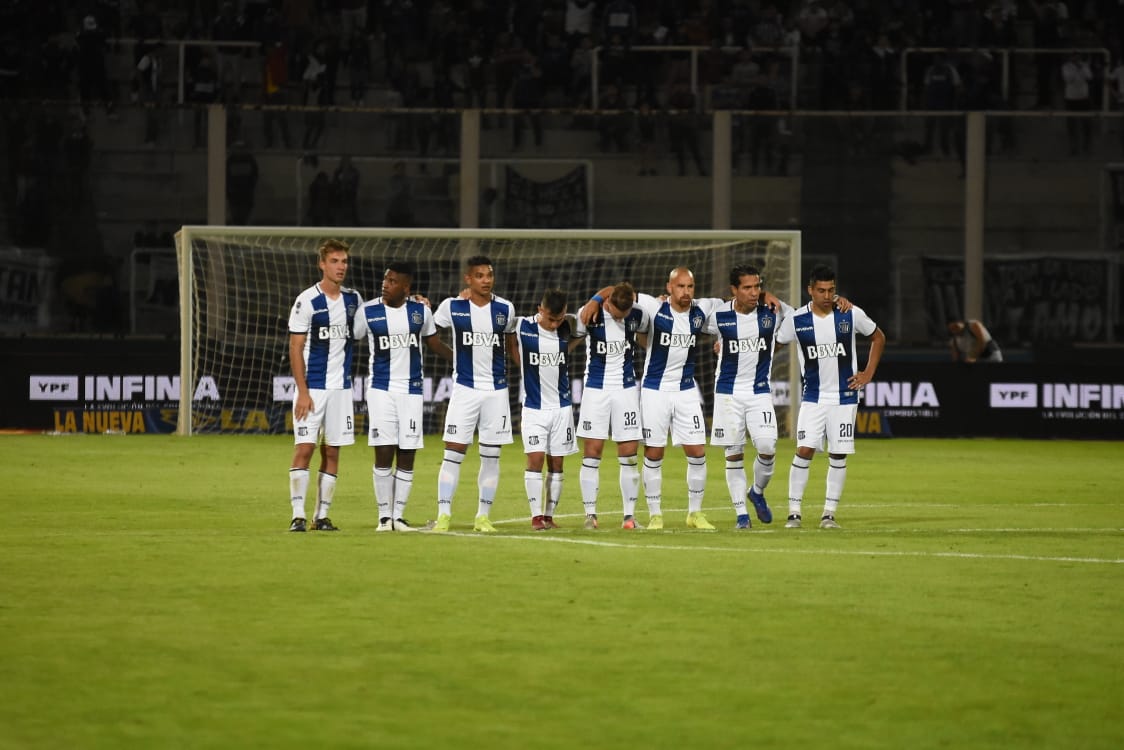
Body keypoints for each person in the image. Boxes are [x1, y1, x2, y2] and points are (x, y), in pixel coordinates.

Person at [581, 268, 723, 530]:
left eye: (690, 286)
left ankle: (695, 513)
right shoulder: (652, 307)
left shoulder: (703, 310)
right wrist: (596, 300)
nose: (686, 292)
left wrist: (722, 343)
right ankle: (655, 514)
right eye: (680, 286)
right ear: (669, 287)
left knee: (698, 452)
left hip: (686, 390)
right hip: (655, 390)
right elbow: (618, 290)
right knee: (654, 452)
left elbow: (732, 316)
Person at [775, 264, 885, 530]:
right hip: (813, 397)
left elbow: (878, 337)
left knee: (838, 455)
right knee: (804, 451)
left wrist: (867, 373)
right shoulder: (797, 320)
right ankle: (794, 513)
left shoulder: (850, 314)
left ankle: (829, 514)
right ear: (810, 290)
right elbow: (773, 343)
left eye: (831, 290)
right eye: (821, 290)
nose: (827, 295)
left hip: (845, 397)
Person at [353, 262, 452, 532]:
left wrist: (460, 362)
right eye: (386, 279)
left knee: (407, 453)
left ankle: (399, 516)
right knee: (383, 451)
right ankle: (384, 517)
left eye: (393, 281)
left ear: (406, 287)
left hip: (411, 390)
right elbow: (352, 338)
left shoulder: (420, 311)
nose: (386, 284)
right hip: (381, 390)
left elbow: (433, 343)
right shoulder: (368, 311)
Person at [431, 255, 518, 532]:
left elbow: (512, 346)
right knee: (453, 452)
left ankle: (483, 516)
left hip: (496, 391)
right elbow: (429, 332)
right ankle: (443, 514)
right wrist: (453, 357)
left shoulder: (505, 309)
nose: (486, 280)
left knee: (491, 455)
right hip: (465, 390)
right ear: (468, 279)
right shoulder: (452, 307)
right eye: (479, 276)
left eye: (489, 275)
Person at [286, 239, 363, 532]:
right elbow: (295, 348)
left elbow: (383, 308)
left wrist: (415, 298)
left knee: (332, 451)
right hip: (313, 389)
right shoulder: (307, 300)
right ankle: (298, 515)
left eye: (344, 261)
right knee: (304, 448)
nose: (341, 266)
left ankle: (323, 516)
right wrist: (303, 392)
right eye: (335, 261)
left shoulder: (353, 299)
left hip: (342, 389)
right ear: (322, 264)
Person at [574, 282, 648, 529]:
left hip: (626, 390)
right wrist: (595, 297)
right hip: (596, 389)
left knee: (629, 454)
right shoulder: (590, 313)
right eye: (616, 314)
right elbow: (570, 335)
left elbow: (649, 336)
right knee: (592, 451)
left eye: (623, 316)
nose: (620, 318)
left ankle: (629, 517)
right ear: (608, 303)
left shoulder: (638, 313)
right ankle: (590, 515)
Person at [510, 289, 580, 531]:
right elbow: (499, 328)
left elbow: (589, 318)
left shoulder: (567, 327)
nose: (554, 324)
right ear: (540, 310)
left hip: (562, 409)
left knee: (557, 464)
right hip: (534, 408)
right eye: (551, 319)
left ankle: (549, 516)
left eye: (559, 319)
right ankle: (536, 516)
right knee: (535, 460)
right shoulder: (521, 326)